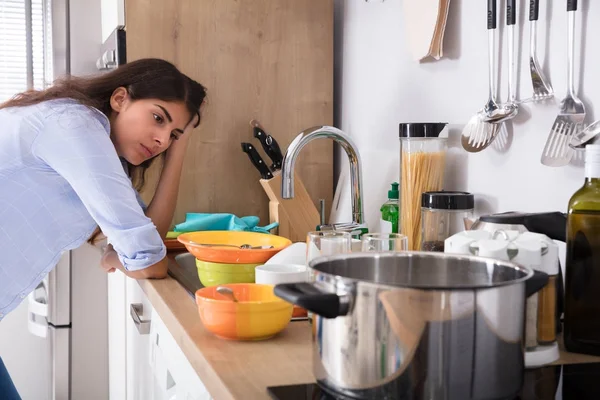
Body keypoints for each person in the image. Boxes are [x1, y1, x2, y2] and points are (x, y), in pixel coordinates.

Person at [0, 58, 207, 398]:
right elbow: (148, 259)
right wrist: (122, 258)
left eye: (172, 134)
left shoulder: (88, 138)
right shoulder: (74, 126)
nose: (161, 140)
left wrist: (180, 149)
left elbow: (146, 236)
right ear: (120, 99)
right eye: (158, 118)